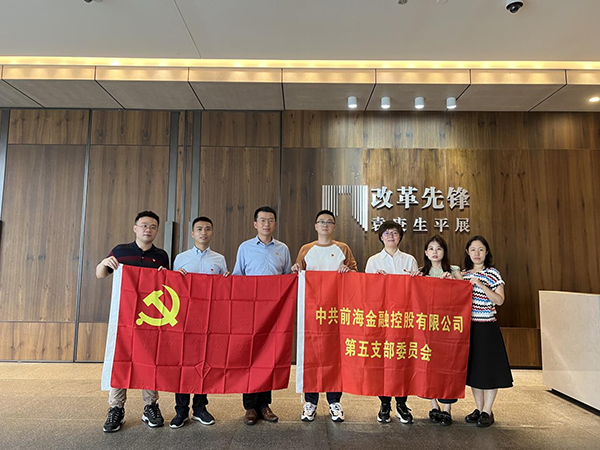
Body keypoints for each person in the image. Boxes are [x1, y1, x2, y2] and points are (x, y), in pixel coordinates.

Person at [96, 211, 170, 433]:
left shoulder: (161, 255)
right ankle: (116, 408)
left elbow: (167, 286)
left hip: (150, 318)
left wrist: (165, 275)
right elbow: (101, 274)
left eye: (153, 227)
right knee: (121, 359)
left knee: (149, 359)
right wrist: (104, 262)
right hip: (124, 316)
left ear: (157, 231)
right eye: (144, 225)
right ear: (135, 228)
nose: (148, 229)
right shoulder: (120, 251)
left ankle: (151, 406)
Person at [291, 210, 358, 423]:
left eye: (329, 222)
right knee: (311, 355)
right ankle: (310, 402)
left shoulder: (343, 248)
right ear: (315, 226)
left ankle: (334, 402)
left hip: (336, 312)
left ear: (334, 226)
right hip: (311, 312)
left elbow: (356, 274)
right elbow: (298, 274)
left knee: (335, 356)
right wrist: (295, 269)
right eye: (321, 222)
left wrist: (348, 271)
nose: (325, 225)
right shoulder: (306, 249)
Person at [232, 206, 292, 426]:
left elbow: (287, 278)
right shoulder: (245, 247)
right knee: (250, 356)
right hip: (250, 310)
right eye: (262, 220)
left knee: (268, 356)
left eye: (270, 220)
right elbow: (238, 277)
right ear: (255, 224)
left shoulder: (282, 249)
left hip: (274, 312)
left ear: (275, 224)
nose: (266, 224)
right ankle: (250, 406)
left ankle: (264, 405)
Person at [169, 216, 229, 429]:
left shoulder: (219, 259)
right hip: (185, 320)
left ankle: (200, 408)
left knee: (205, 362)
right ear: (193, 233)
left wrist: (227, 280)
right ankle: (181, 410)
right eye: (199, 229)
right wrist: (176, 277)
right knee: (183, 363)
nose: (203, 232)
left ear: (212, 233)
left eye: (207, 229)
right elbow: (172, 288)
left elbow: (224, 291)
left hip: (209, 321)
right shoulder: (181, 258)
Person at [365, 220, 418, 425]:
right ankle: (385, 404)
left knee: (403, 360)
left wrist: (415, 279)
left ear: (400, 237)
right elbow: (367, 291)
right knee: (383, 361)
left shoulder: (409, 260)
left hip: (404, 319)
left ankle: (402, 404)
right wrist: (377, 281)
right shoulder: (373, 261)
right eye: (387, 233)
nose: (391, 236)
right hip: (382, 319)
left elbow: (416, 291)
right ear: (381, 237)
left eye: (395, 233)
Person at [461, 236, 513, 427]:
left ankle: (487, 411)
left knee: (489, 370)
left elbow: (500, 300)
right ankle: (479, 408)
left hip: (488, 327)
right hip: (469, 328)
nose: (477, 253)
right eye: (473, 249)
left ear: (487, 252)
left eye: (481, 249)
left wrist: (481, 285)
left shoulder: (493, 274)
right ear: (468, 252)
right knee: (475, 370)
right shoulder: (464, 275)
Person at [412, 235, 461, 426]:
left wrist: (453, 281)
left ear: (444, 252)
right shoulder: (421, 273)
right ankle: (434, 405)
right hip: (428, 327)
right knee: (429, 364)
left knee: (449, 365)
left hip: (449, 327)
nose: (435, 252)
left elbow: (464, 292)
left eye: (438, 248)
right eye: (431, 248)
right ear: (425, 252)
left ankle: (447, 408)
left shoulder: (454, 270)